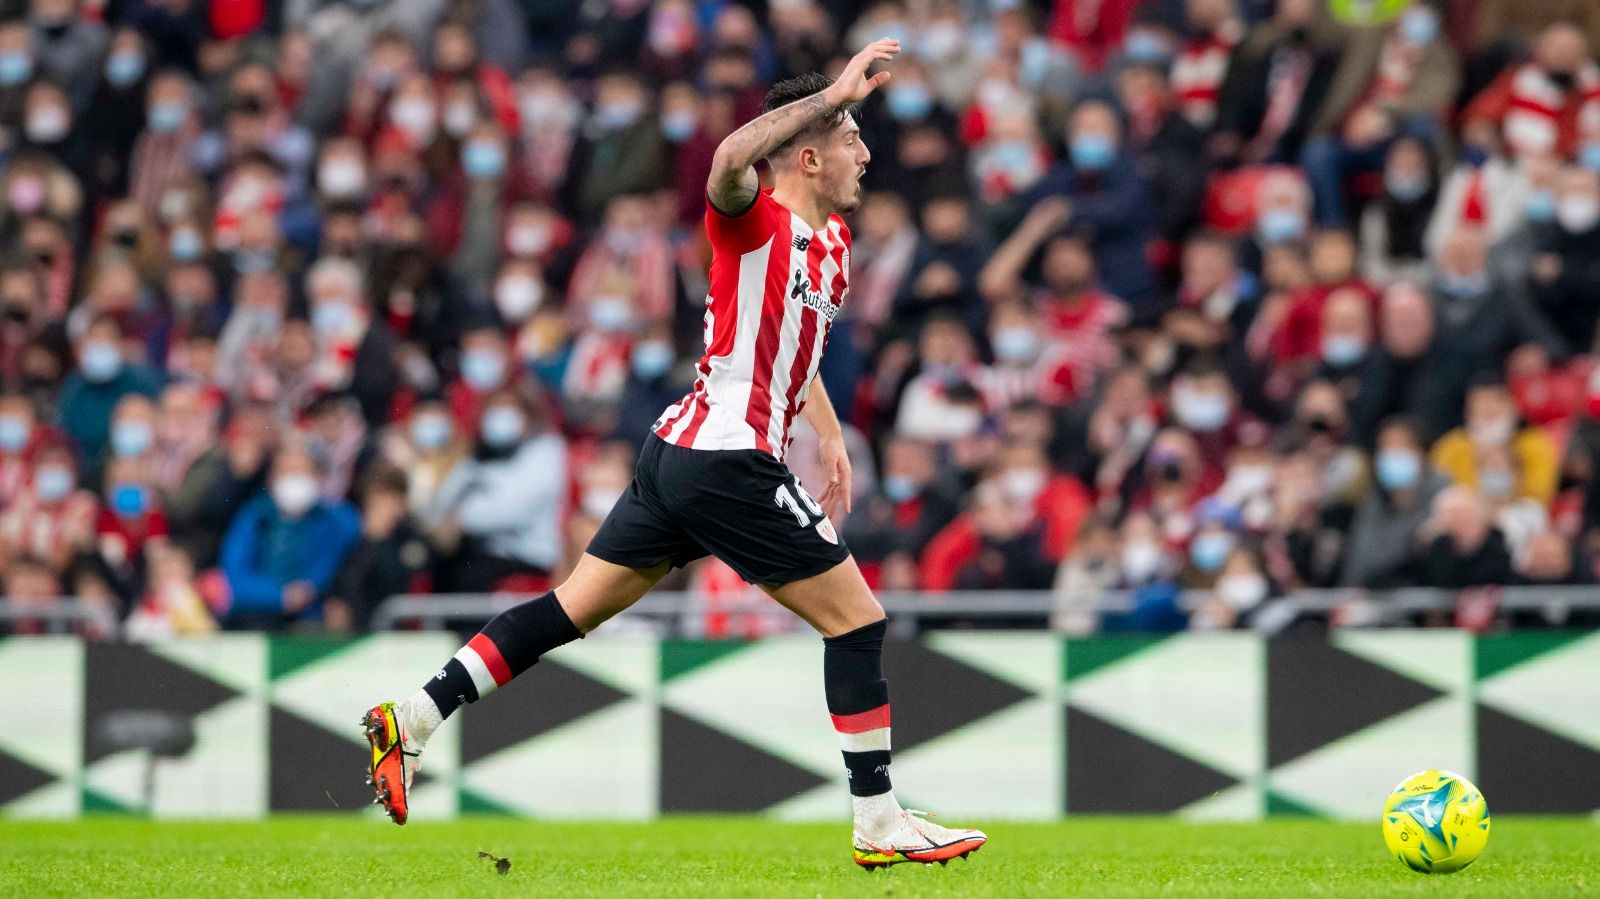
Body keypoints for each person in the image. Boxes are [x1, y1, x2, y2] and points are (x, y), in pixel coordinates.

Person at [360, 40, 987, 867]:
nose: (866, 157)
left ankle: (414, 717)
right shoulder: (753, 221)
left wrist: (827, 432)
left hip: (681, 455)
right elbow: (730, 157)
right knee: (859, 621)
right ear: (806, 153)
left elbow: (793, 353)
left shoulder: (830, 251)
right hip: (724, 457)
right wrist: (832, 89)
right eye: (850, 140)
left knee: (567, 610)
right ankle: (878, 821)